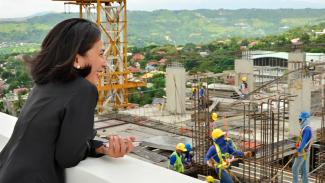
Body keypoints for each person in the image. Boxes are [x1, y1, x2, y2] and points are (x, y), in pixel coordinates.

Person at [0, 18, 134, 183]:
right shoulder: (83, 90)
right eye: (100, 54)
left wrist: (103, 148)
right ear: (77, 60)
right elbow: (68, 157)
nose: (104, 63)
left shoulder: (44, 83)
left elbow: (55, 140)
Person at [292, 111, 312, 183]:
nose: (299, 121)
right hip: (305, 152)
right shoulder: (305, 128)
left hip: (302, 152)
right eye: (299, 119)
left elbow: (303, 141)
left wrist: (299, 149)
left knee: (294, 168)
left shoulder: (307, 129)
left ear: (305, 119)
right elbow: (302, 140)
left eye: (300, 120)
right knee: (303, 169)